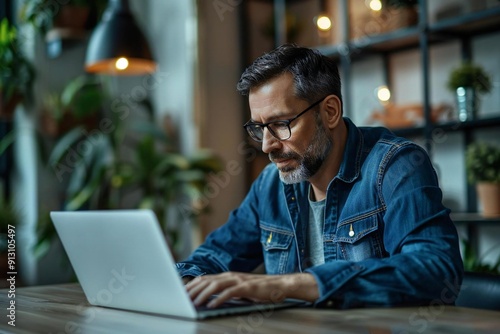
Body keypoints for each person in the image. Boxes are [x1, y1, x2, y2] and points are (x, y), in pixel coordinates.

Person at [177, 44, 464, 309]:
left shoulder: (396, 166)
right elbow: (214, 257)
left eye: (280, 124)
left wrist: (297, 284)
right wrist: (182, 283)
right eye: (259, 128)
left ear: (330, 111)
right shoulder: (270, 185)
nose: (267, 145)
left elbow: (435, 270)